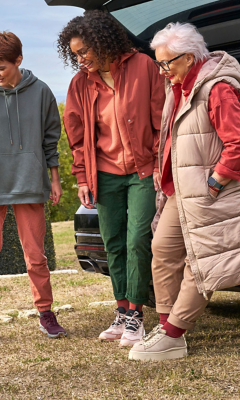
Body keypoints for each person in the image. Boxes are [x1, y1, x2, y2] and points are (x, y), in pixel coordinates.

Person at [128, 22, 240, 361]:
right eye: (159, 64)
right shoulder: (179, 85)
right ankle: (166, 329)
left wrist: (215, 182)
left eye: (168, 63)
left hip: (209, 191)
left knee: (202, 260)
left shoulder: (217, 88)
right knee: (162, 249)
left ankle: (175, 330)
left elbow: (239, 144)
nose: (163, 71)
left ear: (191, 56)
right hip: (180, 191)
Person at [58, 10, 165, 347]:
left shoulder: (143, 67)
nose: (80, 59)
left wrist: (162, 163)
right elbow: (76, 137)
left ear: (102, 43)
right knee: (113, 243)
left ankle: (136, 315)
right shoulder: (79, 84)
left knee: (137, 240)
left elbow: (162, 118)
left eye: (84, 51)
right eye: (74, 54)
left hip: (143, 171)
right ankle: (121, 311)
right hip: (103, 175)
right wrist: (83, 178)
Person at [0, 31, 65, 348]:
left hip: (31, 184)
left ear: (18, 60)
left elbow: (51, 141)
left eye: (1, 67)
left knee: (36, 257)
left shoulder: (42, 92)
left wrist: (55, 178)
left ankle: (45, 313)